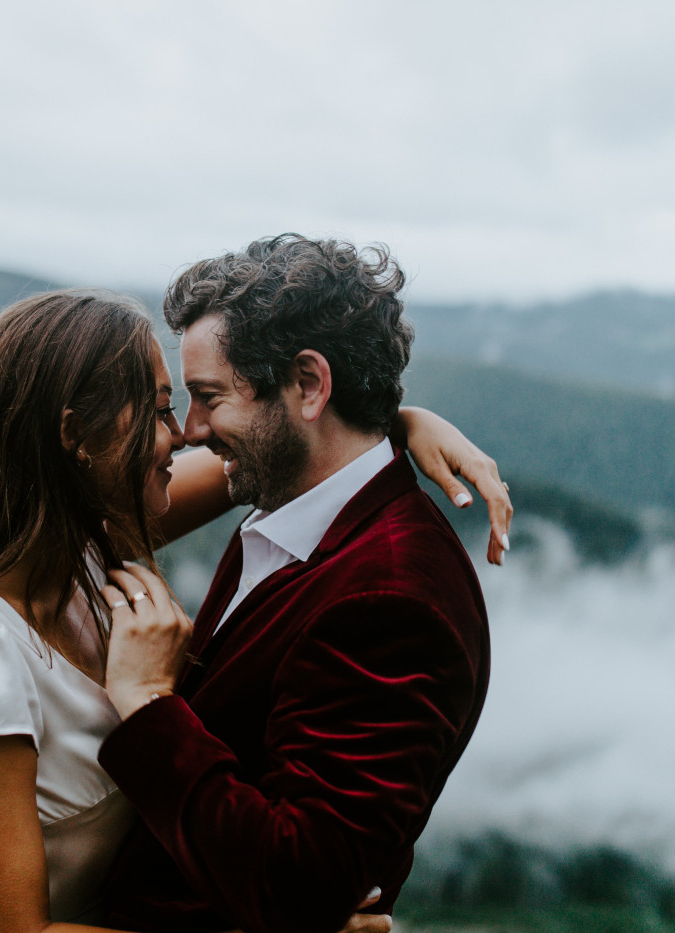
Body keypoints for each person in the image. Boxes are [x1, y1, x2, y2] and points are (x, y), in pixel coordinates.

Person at [0, 285, 510, 933]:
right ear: (76, 437)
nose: (184, 433)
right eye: (162, 407)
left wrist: (392, 426)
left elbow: (277, 458)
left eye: (191, 400)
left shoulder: (80, 557)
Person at [98, 235, 493, 933]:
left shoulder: (392, 599)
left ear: (309, 385)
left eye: (209, 398)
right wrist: (396, 423)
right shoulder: (286, 503)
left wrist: (147, 706)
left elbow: (297, 885)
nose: (189, 432)